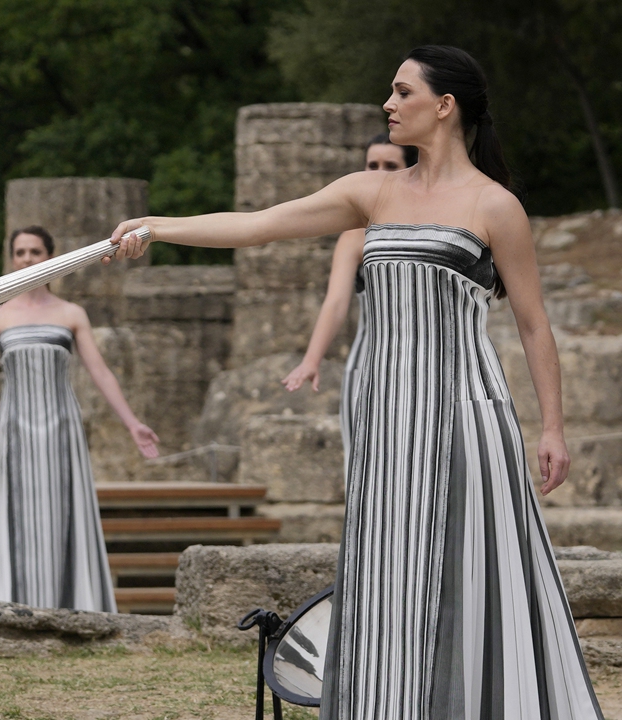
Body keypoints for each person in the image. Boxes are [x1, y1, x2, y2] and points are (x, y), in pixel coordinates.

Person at [109, 45, 600, 718]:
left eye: (402, 92)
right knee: (385, 566)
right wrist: (158, 226)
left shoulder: (495, 205)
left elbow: (534, 325)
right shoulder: (372, 193)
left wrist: (553, 429)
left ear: (445, 105)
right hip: (387, 416)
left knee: (472, 565)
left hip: (465, 414)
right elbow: (258, 226)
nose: (388, 104)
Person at [0, 226, 160, 613]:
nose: (27, 259)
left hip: (62, 428)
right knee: (21, 516)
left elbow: (100, 372)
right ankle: (20, 607)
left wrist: (133, 423)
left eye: (35, 252)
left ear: (50, 257)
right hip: (15, 430)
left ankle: (76, 606)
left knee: (66, 513)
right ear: (11, 258)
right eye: (20, 252)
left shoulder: (71, 313)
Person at [281, 135, 418, 468]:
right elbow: (336, 302)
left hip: (430, 365)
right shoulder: (355, 235)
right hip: (369, 364)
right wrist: (311, 360)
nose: (378, 172)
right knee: (367, 468)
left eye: (390, 165)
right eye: (372, 165)